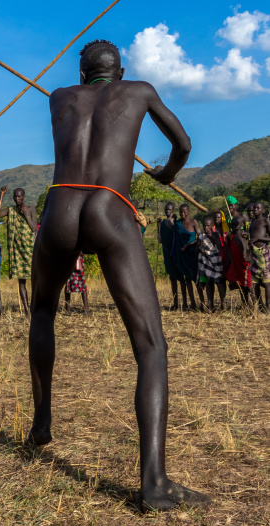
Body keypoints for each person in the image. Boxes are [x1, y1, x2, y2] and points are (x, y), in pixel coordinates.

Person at [28, 39, 209, 511]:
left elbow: (74, 104)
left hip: (60, 205)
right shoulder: (139, 90)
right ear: (121, 71)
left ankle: (41, 421)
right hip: (110, 206)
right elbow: (184, 144)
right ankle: (154, 484)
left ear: (83, 75)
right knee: (151, 347)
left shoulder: (58, 97)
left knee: (43, 311)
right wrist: (167, 173)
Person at [0, 188, 36, 316]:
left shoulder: (31, 209)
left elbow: (33, 228)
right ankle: (26, 310)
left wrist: (25, 214)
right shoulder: (11, 210)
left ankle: (35, 307)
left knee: (35, 280)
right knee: (21, 281)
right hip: (17, 250)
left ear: (24, 197)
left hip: (29, 249)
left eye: (20, 197)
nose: (17, 199)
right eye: (15, 197)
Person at [157, 202, 188, 310]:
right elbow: (160, 240)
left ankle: (185, 303)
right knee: (172, 277)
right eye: (166, 210)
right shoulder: (163, 222)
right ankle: (175, 303)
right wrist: (158, 226)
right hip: (166, 253)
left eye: (169, 210)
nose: (167, 211)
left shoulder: (176, 222)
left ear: (173, 210)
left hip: (176, 252)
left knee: (181, 278)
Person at [172, 204, 200, 310]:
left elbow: (200, 237)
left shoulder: (193, 222)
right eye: (181, 212)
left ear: (188, 212)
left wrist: (189, 245)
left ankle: (202, 303)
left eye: (184, 212)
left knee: (196, 279)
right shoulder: (178, 223)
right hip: (182, 254)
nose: (182, 214)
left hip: (192, 254)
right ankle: (192, 303)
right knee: (187, 279)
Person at [196, 216, 224, 312]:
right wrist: (199, 245)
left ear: (212, 226)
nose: (206, 227)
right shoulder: (201, 236)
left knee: (219, 283)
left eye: (208, 225)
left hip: (216, 262)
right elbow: (196, 250)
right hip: (205, 263)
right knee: (209, 285)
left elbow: (220, 249)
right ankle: (211, 304)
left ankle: (223, 304)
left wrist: (212, 237)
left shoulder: (216, 234)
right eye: (204, 225)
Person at [225, 217, 252, 306]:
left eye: (236, 224)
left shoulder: (244, 235)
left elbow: (249, 248)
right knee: (241, 285)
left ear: (241, 225)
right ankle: (245, 304)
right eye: (232, 224)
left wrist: (247, 256)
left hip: (244, 263)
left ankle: (255, 305)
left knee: (248, 285)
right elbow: (229, 249)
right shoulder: (231, 236)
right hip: (236, 263)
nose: (233, 226)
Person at [248, 201, 270, 311]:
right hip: (253, 254)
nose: (255, 210)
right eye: (254, 208)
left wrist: (259, 239)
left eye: (258, 208)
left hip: (263, 253)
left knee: (267, 283)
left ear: (263, 210)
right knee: (255, 282)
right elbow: (251, 235)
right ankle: (259, 306)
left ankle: (268, 307)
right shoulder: (252, 222)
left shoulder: (265, 221)